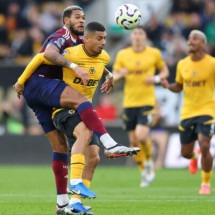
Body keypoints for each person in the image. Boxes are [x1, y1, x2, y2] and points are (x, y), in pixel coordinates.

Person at [13, 6, 139, 215]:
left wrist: (108, 75)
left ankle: (62, 203)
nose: (82, 21)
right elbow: (47, 54)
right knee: (79, 100)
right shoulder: (62, 36)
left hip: (37, 95)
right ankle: (110, 143)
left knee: (60, 147)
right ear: (66, 20)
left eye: (84, 17)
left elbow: (94, 60)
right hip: (39, 83)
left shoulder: (82, 43)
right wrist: (72, 68)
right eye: (77, 17)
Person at [113, 26, 169, 187]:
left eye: (141, 33)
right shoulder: (123, 55)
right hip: (129, 103)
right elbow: (114, 78)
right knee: (134, 142)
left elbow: (164, 71)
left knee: (142, 136)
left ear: (145, 37)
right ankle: (144, 170)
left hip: (147, 102)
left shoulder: (154, 53)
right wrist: (120, 75)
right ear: (131, 37)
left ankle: (150, 161)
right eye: (135, 33)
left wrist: (157, 79)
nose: (137, 36)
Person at [161, 30, 215, 195]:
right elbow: (179, 86)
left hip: (207, 111)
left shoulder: (212, 63)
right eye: (189, 39)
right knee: (185, 153)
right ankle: (193, 157)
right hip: (187, 113)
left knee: (205, 145)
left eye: (195, 39)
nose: (190, 41)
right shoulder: (182, 64)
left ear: (203, 44)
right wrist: (168, 86)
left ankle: (205, 183)